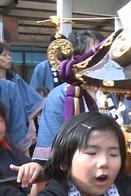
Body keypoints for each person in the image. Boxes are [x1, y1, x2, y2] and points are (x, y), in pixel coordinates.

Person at [32, 30, 103, 163]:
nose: (101, 59)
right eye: (95, 53)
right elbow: (48, 147)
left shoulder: (113, 90)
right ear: (76, 58)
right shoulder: (60, 95)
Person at [0, 41, 44, 150]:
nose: (8, 58)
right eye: (4, 55)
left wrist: (31, 124)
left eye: (9, 55)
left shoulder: (15, 78)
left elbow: (30, 102)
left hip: (18, 123)